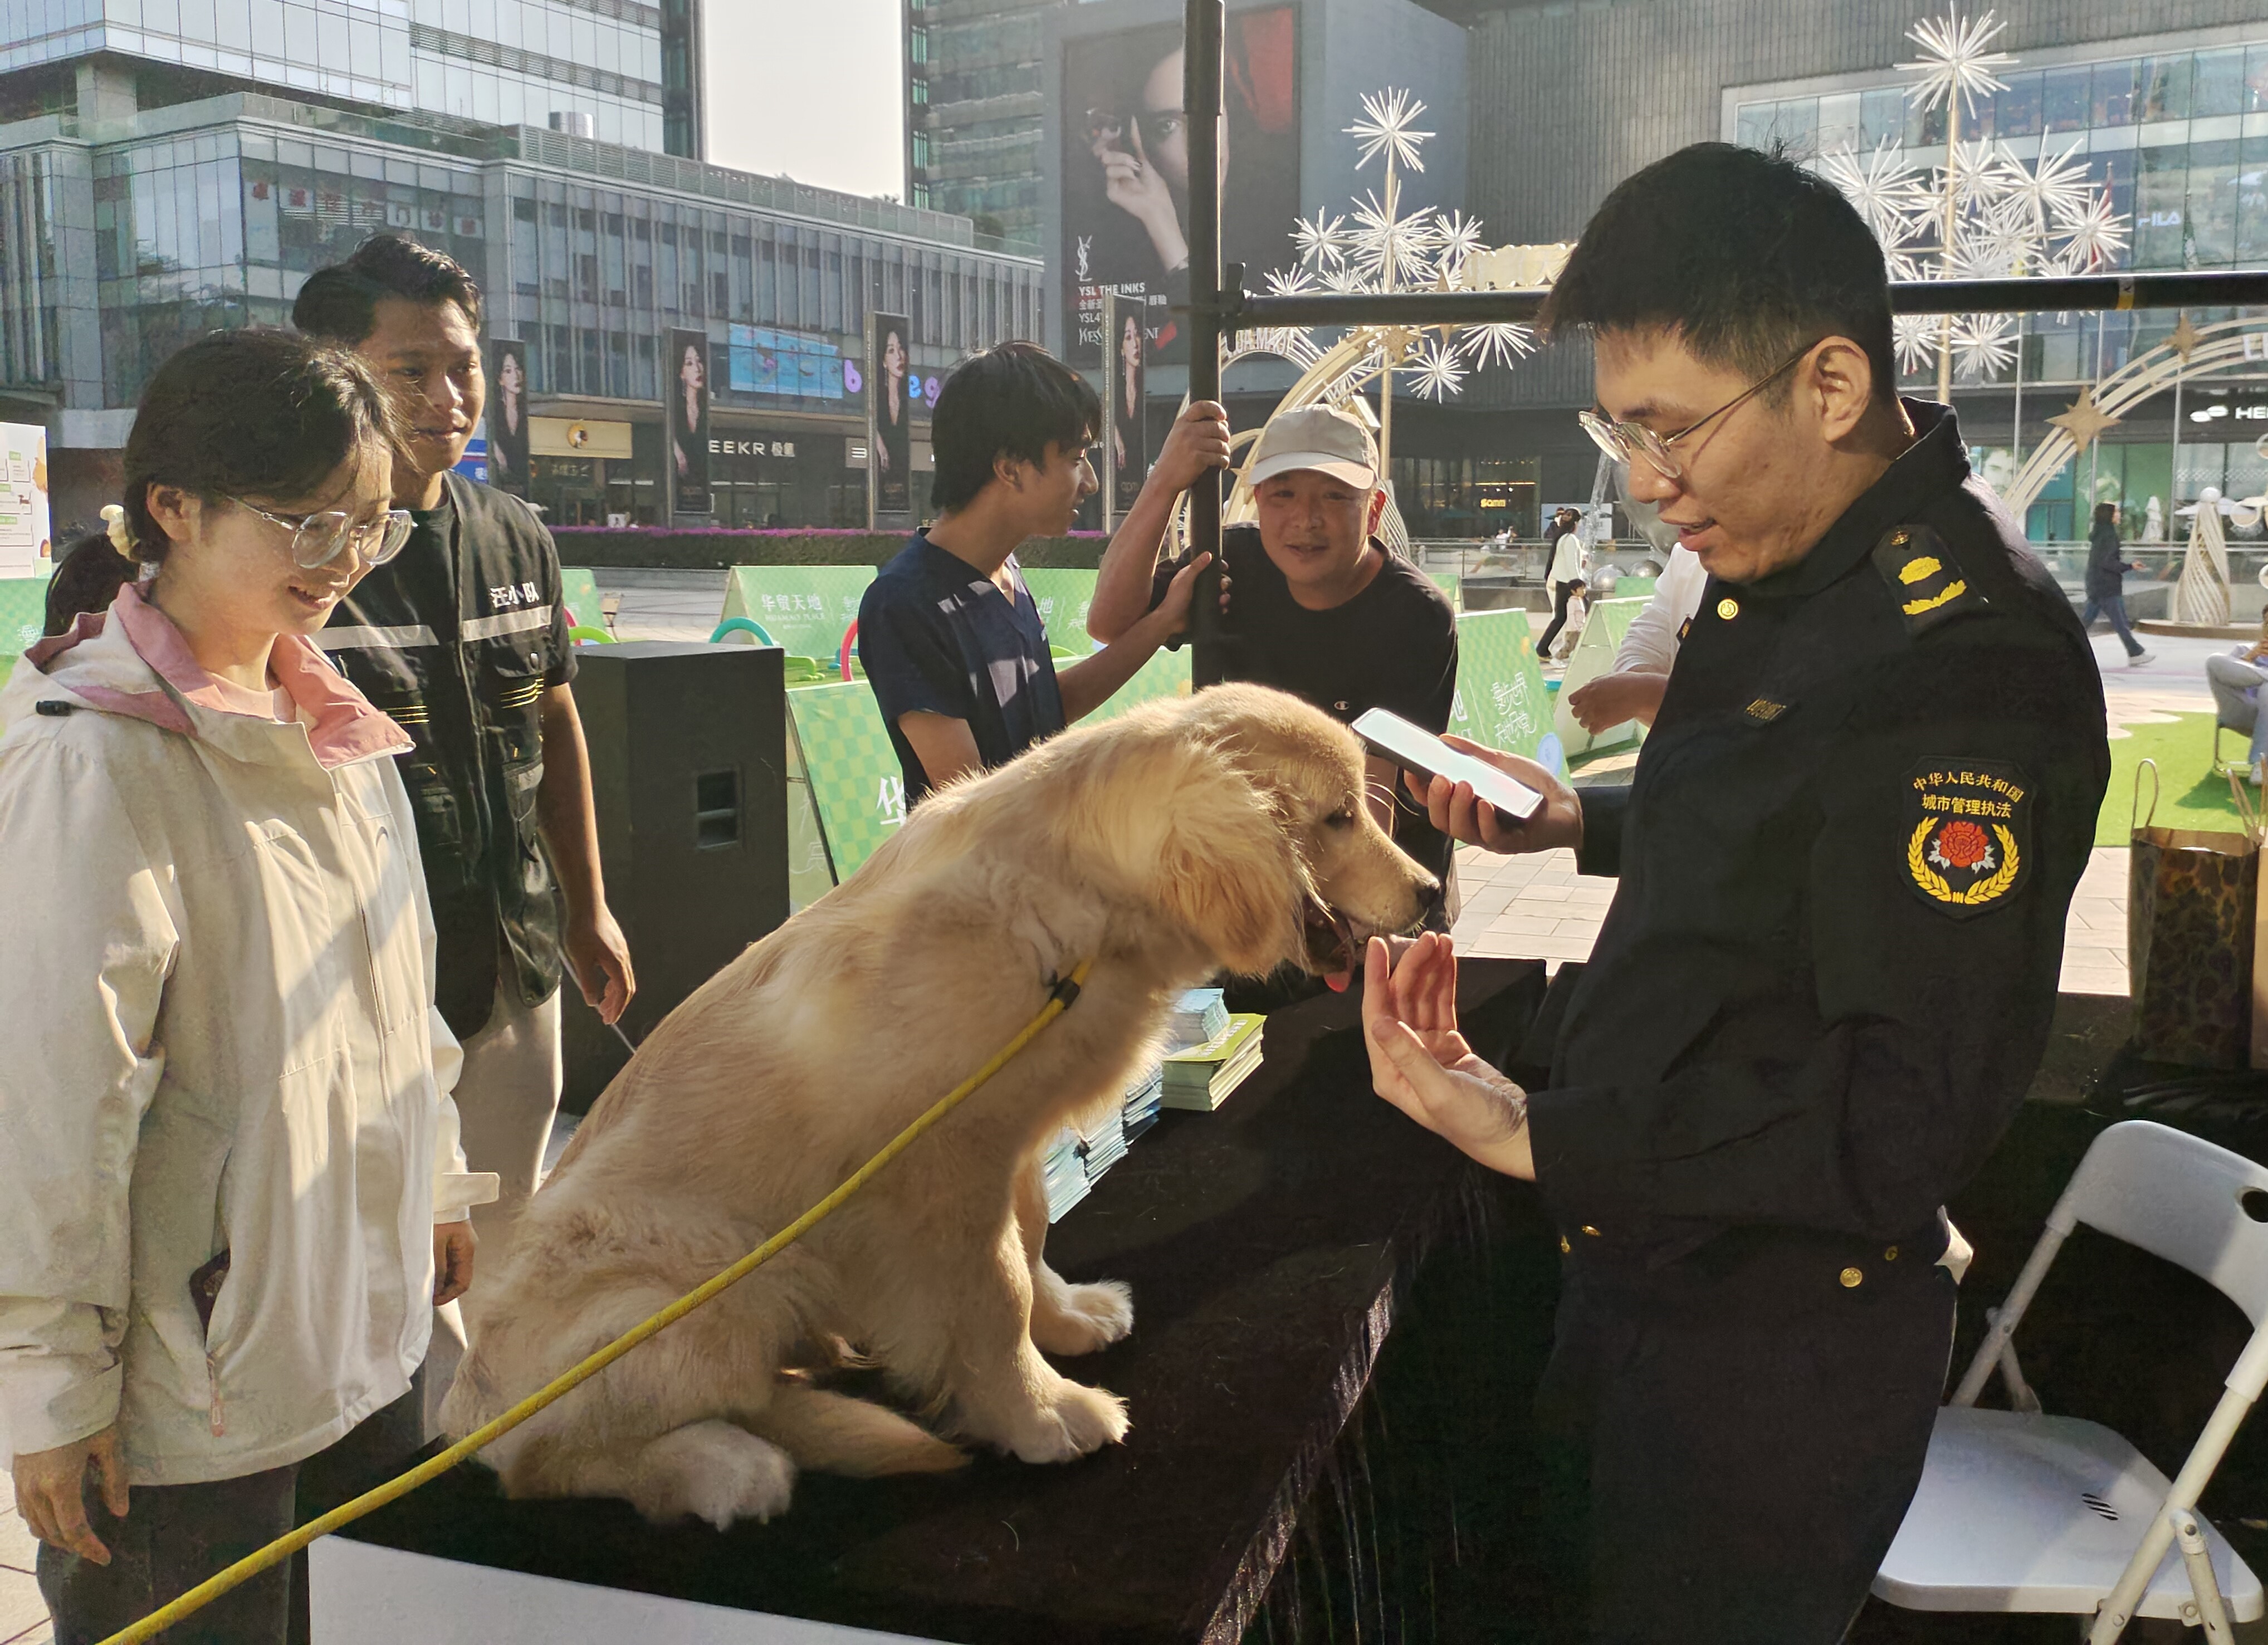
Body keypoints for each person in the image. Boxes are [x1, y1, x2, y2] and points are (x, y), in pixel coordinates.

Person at [1361, 142, 2109, 1644]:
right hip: (1652, 1281)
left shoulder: (1964, 661)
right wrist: (1576, 816)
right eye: (1619, 429)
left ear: (1828, 386)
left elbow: (1896, 1121)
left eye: (1671, 429)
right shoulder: (1792, 575)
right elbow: (1784, 815)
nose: (1646, 484)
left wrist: (1540, 1132)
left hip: (1768, 1357)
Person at [0, 328, 496, 1645]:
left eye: (370, 529)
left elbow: (400, 1002)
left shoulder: (335, 722)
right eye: (306, 525)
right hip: (191, 1394)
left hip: (363, 1330)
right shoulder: (93, 760)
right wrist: (49, 1390)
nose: (342, 564)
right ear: (174, 508)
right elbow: (51, 1105)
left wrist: (438, 1180)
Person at [292, 237, 634, 1290]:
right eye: (409, 371)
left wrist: (588, 908)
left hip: (515, 959)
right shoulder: (303, 553)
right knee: (376, 1253)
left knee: (510, 1224)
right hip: (354, 986)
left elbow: (557, 723)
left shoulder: (516, 534)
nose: (449, 396)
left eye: (464, 364)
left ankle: (496, 1432)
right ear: (336, 375)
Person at [1091, 400, 1460, 909]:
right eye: (1284, 495)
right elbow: (1108, 623)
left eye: (1335, 497)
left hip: (1384, 887)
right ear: (1258, 499)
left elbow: (1377, 791)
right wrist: (1165, 482)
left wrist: (1349, 922)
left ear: (1373, 510)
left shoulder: (1415, 616)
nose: (1305, 520)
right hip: (1259, 885)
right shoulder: (1229, 563)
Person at [856, 341, 1219, 805]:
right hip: (977, 876)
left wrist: (1164, 621)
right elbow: (968, 804)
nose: (1090, 482)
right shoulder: (903, 603)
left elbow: (1047, 705)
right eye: (1075, 459)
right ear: (1011, 469)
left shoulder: (1004, 573)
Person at [1564, 544, 1707, 734]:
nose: (1669, 518)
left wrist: (1648, 694)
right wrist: (1638, 690)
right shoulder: (1688, 554)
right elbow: (1645, 639)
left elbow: (1750, 706)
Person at [2081, 500, 2151, 667]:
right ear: (2110, 515)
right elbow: (2107, 562)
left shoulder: (2100, 533)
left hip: (2097, 583)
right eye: (2117, 512)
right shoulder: (2109, 535)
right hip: (2107, 585)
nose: (2119, 515)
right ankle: (2135, 652)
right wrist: (2129, 566)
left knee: (2087, 622)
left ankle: (2067, 645)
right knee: (2120, 623)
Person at [2206, 611, 2268, 783]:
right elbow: (2227, 678)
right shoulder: (2244, 650)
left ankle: (2262, 766)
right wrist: (2249, 658)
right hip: (2241, 711)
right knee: (2214, 661)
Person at [1538, 506, 1586, 658]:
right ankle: (1549, 649)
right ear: (1576, 523)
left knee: (1561, 617)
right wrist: (1578, 585)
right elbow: (1572, 564)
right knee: (1576, 616)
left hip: (1562, 582)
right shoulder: (1570, 540)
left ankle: (1544, 649)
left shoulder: (1562, 538)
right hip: (1569, 584)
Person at [672, 337, 708, 481]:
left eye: (699, 361)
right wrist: (679, 456)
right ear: (682, 373)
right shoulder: (675, 407)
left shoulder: (706, 409)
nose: (697, 369)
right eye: (689, 363)